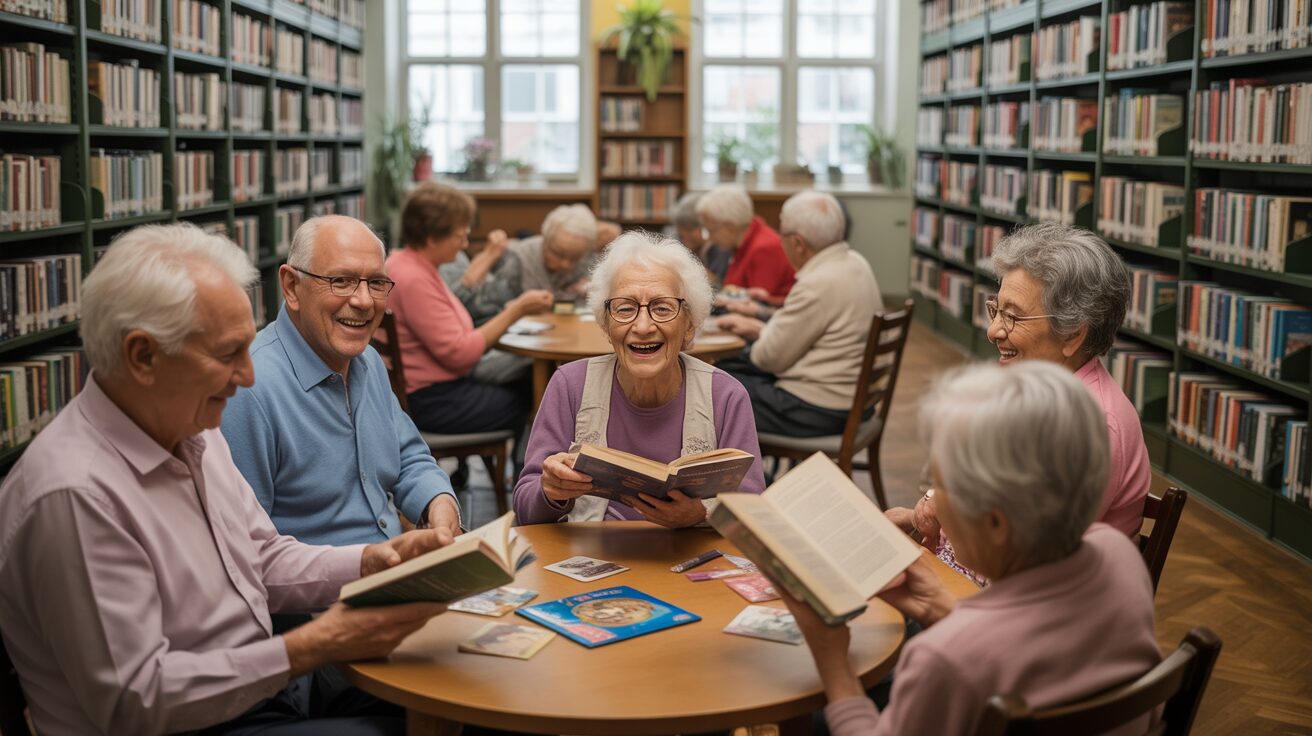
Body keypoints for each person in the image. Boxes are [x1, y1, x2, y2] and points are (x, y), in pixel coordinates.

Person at [0, 223, 453, 734]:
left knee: (460, 692)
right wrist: (315, 645)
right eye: (226, 354)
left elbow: (258, 556)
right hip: (190, 725)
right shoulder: (76, 495)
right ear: (143, 356)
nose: (248, 375)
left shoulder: (190, 427)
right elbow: (134, 700)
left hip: (258, 694)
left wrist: (373, 560)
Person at [780, 361, 1161, 735]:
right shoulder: (1119, 555)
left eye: (940, 485)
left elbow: (983, 655)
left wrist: (834, 663)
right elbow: (1022, 650)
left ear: (994, 524)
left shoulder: (946, 659)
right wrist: (941, 608)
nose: (933, 502)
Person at [889, 224, 1151, 583]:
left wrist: (941, 520)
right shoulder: (1039, 389)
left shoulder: (1089, 427)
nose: (993, 330)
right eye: (995, 309)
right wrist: (929, 507)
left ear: (1073, 333)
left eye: (1012, 316)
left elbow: (1024, 567)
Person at [221, 215, 461, 547]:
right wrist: (364, 567)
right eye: (341, 280)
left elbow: (407, 455)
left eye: (376, 283)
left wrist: (438, 502)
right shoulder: (249, 389)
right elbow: (243, 550)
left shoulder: (369, 362)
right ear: (292, 287)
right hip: (320, 596)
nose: (364, 301)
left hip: (393, 574)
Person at [512, 231, 767, 526]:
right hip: (588, 558)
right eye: (625, 308)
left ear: (689, 324)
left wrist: (700, 516)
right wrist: (550, 491)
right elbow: (525, 510)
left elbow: (752, 514)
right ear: (606, 325)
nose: (643, 326)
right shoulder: (569, 385)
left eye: (662, 308)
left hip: (685, 563)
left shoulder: (725, 396)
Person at [387, 183, 553, 435]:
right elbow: (460, 354)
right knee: (536, 396)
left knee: (527, 382)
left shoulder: (405, 263)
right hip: (431, 399)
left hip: (426, 389)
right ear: (432, 238)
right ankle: (527, 471)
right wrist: (516, 310)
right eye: (459, 235)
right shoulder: (414, 279)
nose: (464, 243)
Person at [716, 191, 881, 436]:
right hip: (853, 398)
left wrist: (761, 332)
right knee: (727, 375)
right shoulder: (856, 262)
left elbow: (768, 358)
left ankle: (747, 474)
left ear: (798, 244)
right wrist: (763, 328)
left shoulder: (816, 284)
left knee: (718, 389)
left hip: (819, 407)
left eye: (781, 235)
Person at [696, 184, 795, 303]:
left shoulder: (764, 249)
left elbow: (755, 305)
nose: (710, 238)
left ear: (730, 227)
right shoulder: (740, 244)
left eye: (711, 230)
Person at [509, 203, 599, 301]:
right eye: (558, 254)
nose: (566, 264)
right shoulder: (518, 257)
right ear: (545, 240)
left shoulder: (590, 258)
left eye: (575, 258)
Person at [671, 192, 730, 284]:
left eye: (689, 229)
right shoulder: (681, 241)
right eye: (681, 232)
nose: (684, 236)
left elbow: (719, 282)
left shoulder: (719, 246)